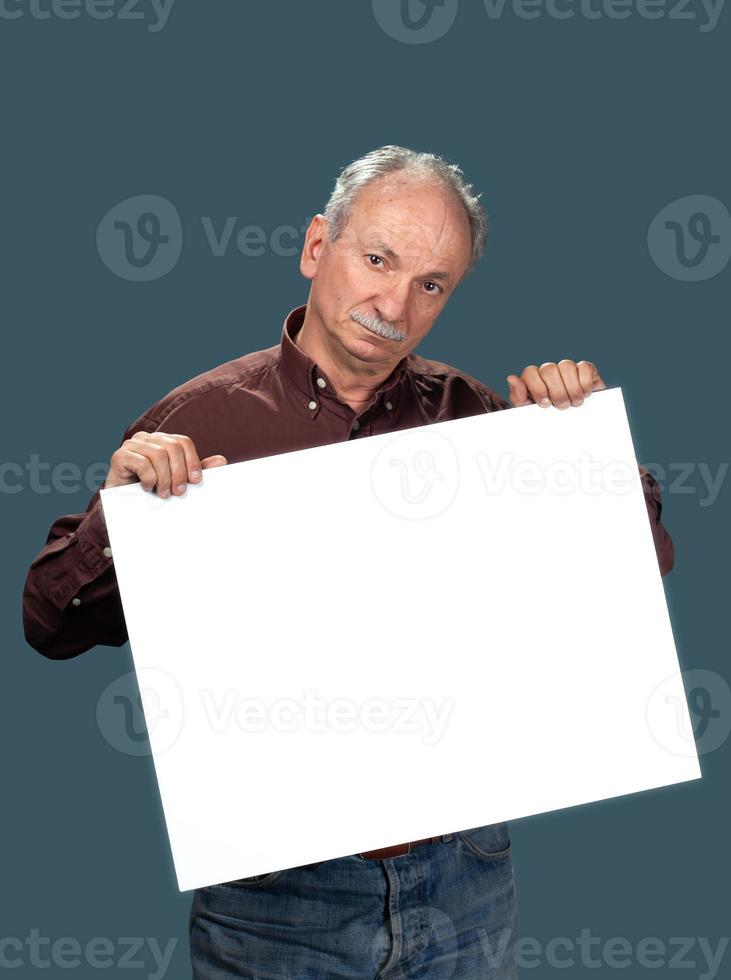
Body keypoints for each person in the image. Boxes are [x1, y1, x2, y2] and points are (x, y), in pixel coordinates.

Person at [23, 145, 674, 979]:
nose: (394, 303)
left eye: (431, 284)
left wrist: (580, 449)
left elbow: (634, 572)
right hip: (273, 891)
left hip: (464, 875)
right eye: (377, 259)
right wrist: (117, 511)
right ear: (313, 247)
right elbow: (50, 627)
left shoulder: (476, 420)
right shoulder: (196, 421)